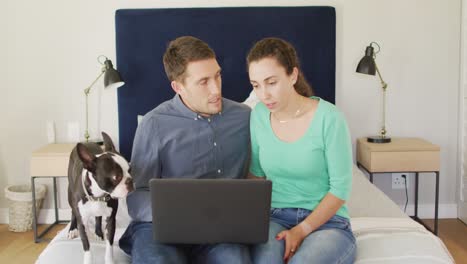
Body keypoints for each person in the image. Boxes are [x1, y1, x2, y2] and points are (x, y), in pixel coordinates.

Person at [119, 36, 252, 264]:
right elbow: (137, 194)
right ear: (178, 87)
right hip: (160, 229)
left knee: (235, 259)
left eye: (217, 76)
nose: (215, 88)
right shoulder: (154, 124)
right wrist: (179, 214)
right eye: (203, 82)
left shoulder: (245, 117)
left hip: (220, 231)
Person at [246, 37, 356, 264]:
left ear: (293, 75)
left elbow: (340, 189)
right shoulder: (258, 116)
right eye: (256, 85)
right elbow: (256, 176)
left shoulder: (330, 118)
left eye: (271, 82)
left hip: (329, 223)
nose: (263, 94)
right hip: (274, 217)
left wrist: (301, 230)